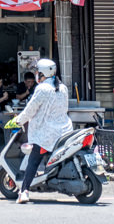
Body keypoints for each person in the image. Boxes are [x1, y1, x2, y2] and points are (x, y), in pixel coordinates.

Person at [10, 58, 72, 204]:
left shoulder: (42, 89)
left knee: (33, 160)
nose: (36, 74)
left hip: (46, 134)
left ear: (42, 73)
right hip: (64, 131)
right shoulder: (62, 87)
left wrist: (18, 120)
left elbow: (30, 109)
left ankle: (24, 191)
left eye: (37, 72)